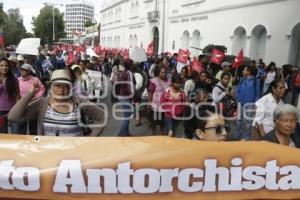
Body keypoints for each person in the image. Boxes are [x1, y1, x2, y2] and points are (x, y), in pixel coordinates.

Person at [8, 69, 106, 136]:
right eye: (57, 85)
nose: (61, 90)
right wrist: (31, 93)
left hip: (75, 156)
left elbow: (103, 117)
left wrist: (92, 137)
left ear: (70, 88)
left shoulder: (78, 101)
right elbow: (13, 116)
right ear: (51, 87)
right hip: (50, 155)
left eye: (65, 86)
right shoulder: (42, 104)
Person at [17, 63, 45, 135]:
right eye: (21, 69)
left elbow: (42, 89)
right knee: (22, 126)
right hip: (22, 105)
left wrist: (35, 97)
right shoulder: (18, 80)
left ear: (29, 71)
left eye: (24, 70)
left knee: (33, 127)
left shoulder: (35, 79)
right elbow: (15, 91)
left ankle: (32, 143)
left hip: (33, 105)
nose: (22, 71)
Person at [235, 66, 261, 140]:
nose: (243, 71)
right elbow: (238, 89)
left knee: (249, 121)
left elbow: (258, 93)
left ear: (249, 71)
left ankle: (246, 136)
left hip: (250, 104)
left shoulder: (256, 81)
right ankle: (237, 135)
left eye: (244, 70)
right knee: (239, 119)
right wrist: (238, 98)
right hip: (240, 102)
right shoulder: (242, 79)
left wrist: (256, 104)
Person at [148, 66, 171, 135]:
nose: (163, 74)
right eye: (162, 72)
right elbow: (150, 93)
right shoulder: (154, 81)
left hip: (164, 106)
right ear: (158, 73)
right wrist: (149, 104)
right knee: (154, 122)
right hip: (155, 106)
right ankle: (153, 134)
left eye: (165, 72)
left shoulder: (169, 81)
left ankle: (161, 135)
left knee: (162, 123)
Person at [115, 59, 135, 136]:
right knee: (127, 116)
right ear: (130, 65)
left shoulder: (122, 73)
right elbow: (131, 86)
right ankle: (121, 133)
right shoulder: (129, 73)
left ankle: (126, 132)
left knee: (127, 115)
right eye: (132, 64)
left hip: (121, 95)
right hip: (126, 96)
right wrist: (133, 96)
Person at [0, 58, 20, 133]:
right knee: (3, 135)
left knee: (16, 133)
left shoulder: (14, 79)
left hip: (12, 110)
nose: (4, 68)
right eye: (1, 65)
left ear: (9, 67)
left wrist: (17, 107)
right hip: (0, 112)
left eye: (6, 65)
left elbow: (18, 94)